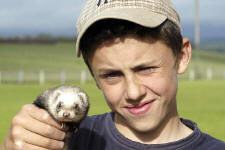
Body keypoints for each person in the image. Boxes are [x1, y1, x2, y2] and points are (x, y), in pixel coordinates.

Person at [1, 0, 225, 150]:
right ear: (94, 77)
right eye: (111, 75)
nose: (134, 92)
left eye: (145, 68)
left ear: (182, 57)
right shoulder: (63, 140)